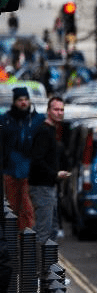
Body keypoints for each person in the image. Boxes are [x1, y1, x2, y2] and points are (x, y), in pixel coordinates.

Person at [28, 97, 71, 245]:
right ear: (48, 111)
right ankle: (41, 267)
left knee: (51, 230)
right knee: (44, 233)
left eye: (62, 110)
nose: (59, 113)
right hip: (42, 188)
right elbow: (37, 160)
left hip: (49, 187)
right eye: (56, 109)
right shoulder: (44, 132)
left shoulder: (52, 131)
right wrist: (55, 174)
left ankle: (47, 266)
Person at [1, 88, 44, 231]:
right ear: (15, 102)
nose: (24, 102)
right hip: (10, 171)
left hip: (30, 171)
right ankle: (14, 242)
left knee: (27, 208)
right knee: (12, 208)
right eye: (20, 100)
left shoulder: (37, 119)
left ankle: (27, 242)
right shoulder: (5, 120)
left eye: (26, 99)